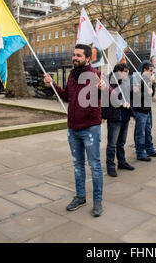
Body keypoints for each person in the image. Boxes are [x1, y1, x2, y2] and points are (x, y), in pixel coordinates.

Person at [43, 44, 111, 217]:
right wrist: (52, 85)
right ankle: (80, 197)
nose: (75, 58)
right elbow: (66, 96)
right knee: (77, 166)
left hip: (90, 129)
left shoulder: (96, 75)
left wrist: (104, 88)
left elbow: (110, 92)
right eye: (74, 55)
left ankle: (97, 201)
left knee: (95, 166)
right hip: (73, 129)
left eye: (79, 55)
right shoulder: (72, 76)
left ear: (88, 58)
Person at [101, 63, 134, 177]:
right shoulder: (110, 81)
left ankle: (122, 161)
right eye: (125, 72)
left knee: (121, 142)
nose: (127, 74)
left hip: (125, 116)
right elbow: (109, 98)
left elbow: (128, 96)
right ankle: (110, 165)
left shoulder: (125, 81)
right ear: (118, 72)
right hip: (114, 116)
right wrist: (121, 104)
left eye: (127, 72)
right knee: (112, 143)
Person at [130, 60, 156, 162]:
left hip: (147, 109)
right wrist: (147, 92)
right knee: (141, 132)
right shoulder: (137, 79)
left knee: (148, 131)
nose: (152, 72)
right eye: (151, 70)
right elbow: (135, 96)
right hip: (140, 110)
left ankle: (150, 149)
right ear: (145, 70)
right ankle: (140, 153)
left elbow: (151, 95)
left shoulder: (148, 80)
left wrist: (152, 86)